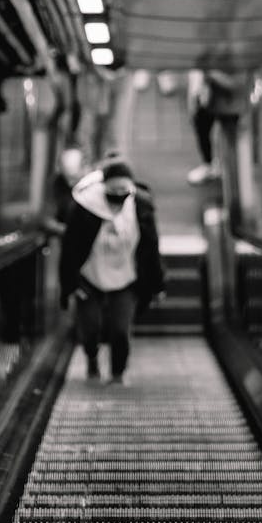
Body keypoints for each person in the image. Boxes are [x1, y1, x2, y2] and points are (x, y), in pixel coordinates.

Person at [58, 157, 165, 384]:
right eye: (112, 190)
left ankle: (117, 375)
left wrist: (157, 284)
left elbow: (151, 247)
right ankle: (92, 359)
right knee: (91, 325)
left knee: (119, 329)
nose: (118, 195)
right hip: (89, 276)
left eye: (123, 190)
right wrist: (70, 284)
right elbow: (70, 247)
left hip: (126, 276)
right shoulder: (84, 206)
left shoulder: (141, 206)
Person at [186, 68, 237, 183]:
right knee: (204, 133)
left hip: (224, 103)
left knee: (224, 135)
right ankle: (210, 165)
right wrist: (192, 104)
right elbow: (194, 85)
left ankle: (224, 166)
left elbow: (232, 84)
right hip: (205, 101)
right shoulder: (199, 69)